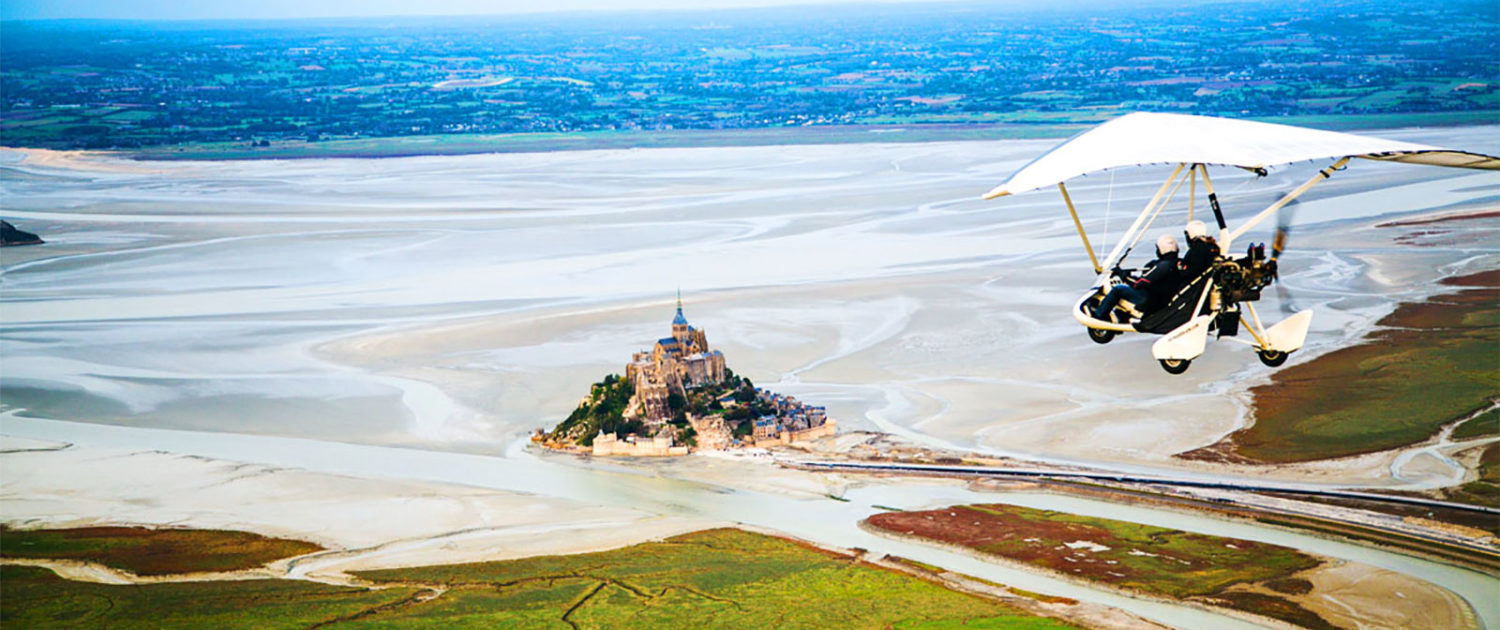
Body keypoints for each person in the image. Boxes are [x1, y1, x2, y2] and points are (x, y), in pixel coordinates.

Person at [1093, 234, 1181, 320]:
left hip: (1151, 300)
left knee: (1118, 289)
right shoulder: (1178, 263)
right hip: (1164, 299)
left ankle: (1098, 316)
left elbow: (1138, 284)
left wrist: (1123, 276)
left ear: (1161, 250)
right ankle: (1122, 315)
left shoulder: (1163, 266)